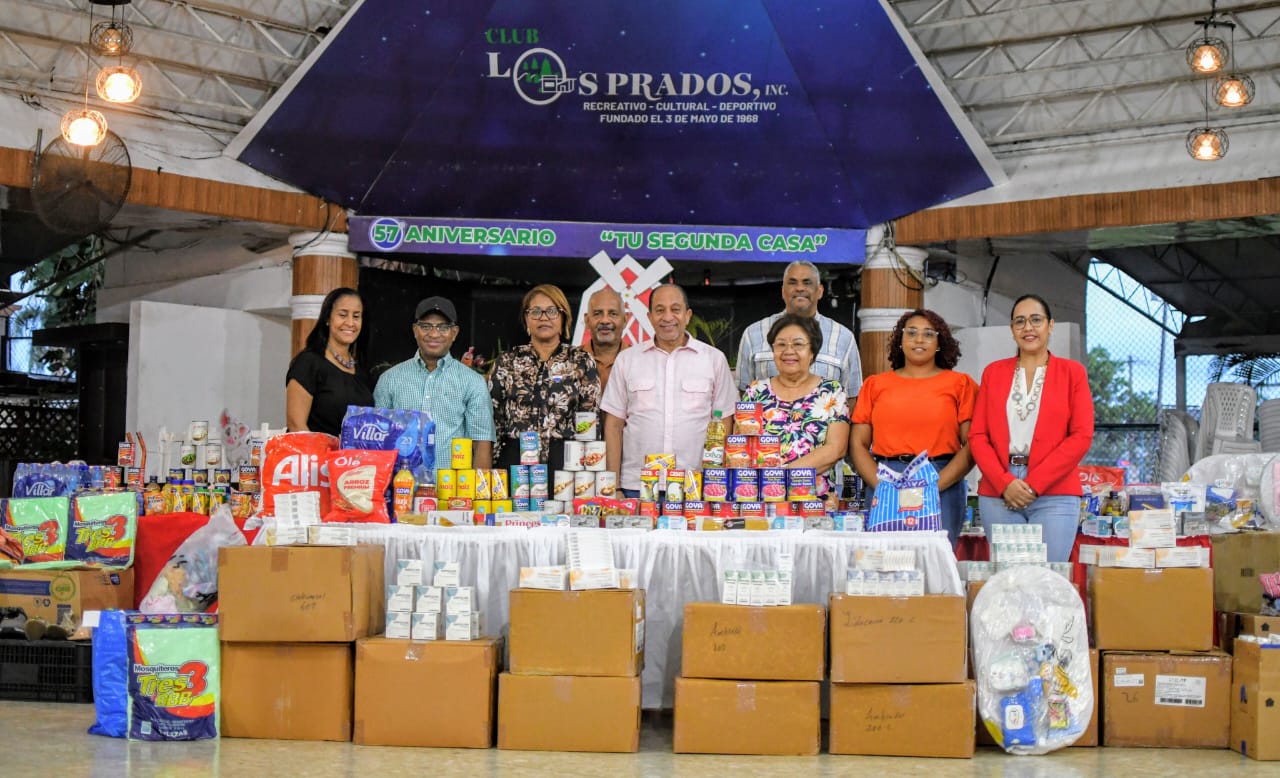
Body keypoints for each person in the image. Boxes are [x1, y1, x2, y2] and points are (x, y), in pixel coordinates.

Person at [969, 294, 1094, 563]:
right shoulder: (994, 372)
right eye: (1020, 321)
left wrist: (1034, 484)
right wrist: (1005, 483)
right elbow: (978, 436)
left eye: (1036, 320)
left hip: (1056, 492)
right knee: (1009, 580)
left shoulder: (1073, 373)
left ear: (1050, 326)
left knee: (1047, 580)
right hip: (999, 490)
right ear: (1012, 331)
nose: (1028, 327)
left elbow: (1081, 436)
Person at [849, 309, 976, 544]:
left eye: (928, 334)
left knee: (937, 563)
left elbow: (972, 445)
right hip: (886, 478)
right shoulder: (875, 385)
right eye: (912, 333)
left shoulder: (960, 384)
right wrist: (882, 486)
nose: (919, 339)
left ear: (940, 343)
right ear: (900, 340)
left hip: (941, 482)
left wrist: (933, 486)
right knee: (883, 563)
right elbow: (857, 443)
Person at [601, 284, 737, 496]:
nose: (667, 317)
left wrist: (714, 481)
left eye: (675, 309)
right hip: (636, 486)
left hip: (694, 485)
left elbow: (724, 422)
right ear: (649, 316)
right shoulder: (627, 360)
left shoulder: (713, 359)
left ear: (688, 315)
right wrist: (614, 486)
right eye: (659, 310)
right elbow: (614, 425)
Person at [374, 296, 495, 472]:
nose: (434, 334)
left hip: (452, 494)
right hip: (401, 491)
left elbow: (482, 442)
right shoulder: (390, 379)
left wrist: (476, 496)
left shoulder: (472, 382)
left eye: (443, 327)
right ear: (415, 330)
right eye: (426, 326)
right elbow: (378, 442)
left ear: (454, 332)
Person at [489, 284, 600, 470]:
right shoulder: (507, 362)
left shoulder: (581, 361)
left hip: (565, 464)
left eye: (552, 311)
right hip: (515, 464)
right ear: (526, 318)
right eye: (536, 311)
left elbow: (590, 420)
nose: (544, 317)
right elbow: (494, 423)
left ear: (563, 317)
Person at [741, 314, 850, 499]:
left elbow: (836, 449)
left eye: (798, 344)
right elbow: (743, 448)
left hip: (815, 500)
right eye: (781, 344)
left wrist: (781, 476)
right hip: (762, 499)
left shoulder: (831, 391)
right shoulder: (755, 392)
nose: (788, 351)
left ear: (812, 352)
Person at [736, 260, 862, 405]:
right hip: (765, 426)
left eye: (807, 282)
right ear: (783, 291)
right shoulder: (753, 334)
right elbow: (744, 393)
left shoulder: (843, 338)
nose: (800, 288)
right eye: (793, 282)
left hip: (828, 427)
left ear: (820, 291)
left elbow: (852, 397)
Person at [285, 287, 374, 437]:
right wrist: (319, 458)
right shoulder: (309, 362)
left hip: (353, 459)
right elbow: (296, 425)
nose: (350, 323)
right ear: (327, 318)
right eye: (343, 315)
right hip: (314, 457)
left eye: (356, 316)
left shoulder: (363, 371)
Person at [582, 287, 629, 391]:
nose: (605, 320)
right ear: (587, 320)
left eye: (613, 314)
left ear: (625, 320)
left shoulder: (640, 361)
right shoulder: (569, 361)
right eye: (597, 314)